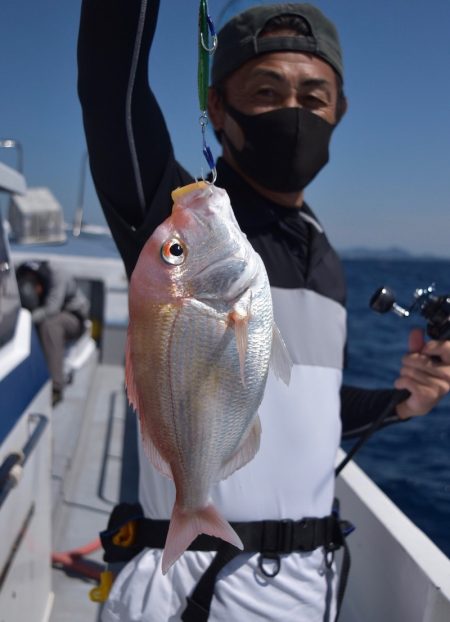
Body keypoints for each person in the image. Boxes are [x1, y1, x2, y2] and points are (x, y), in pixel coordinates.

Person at [77, 2, 450, 620]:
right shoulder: (178, 220)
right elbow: (108, 85)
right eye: (266, 89)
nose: (294, 111)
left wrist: (401, 404)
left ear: (340, 110)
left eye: (314, 94)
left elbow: (310, 409)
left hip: (313, 588)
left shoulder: (324, 254)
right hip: (193, 587)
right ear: (218, 106)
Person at [16, 260, 90, 406]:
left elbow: (52, 309)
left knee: (50, 325)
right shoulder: (20, 272)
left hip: (73, 317)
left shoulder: (57, 275)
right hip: (42, 312)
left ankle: (56, 388)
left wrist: (24, 320)